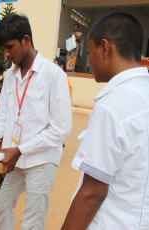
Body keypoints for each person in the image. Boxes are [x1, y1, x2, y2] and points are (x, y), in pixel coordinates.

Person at [0, 14, 72, 229]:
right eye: (3, 48)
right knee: (2, 204)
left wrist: (19, 150)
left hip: (42, 159)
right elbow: (1, 120)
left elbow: (61, 128)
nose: (6, 54)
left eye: (9, 47)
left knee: (33, 219)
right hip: (15, 158)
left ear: (26, 40)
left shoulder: (53, 75)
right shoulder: (10, 76)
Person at [61, 12, 149, 230]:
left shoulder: (112, 105)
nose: (89, 60)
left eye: (89, 51)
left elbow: (93, 192)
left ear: (105, 47)